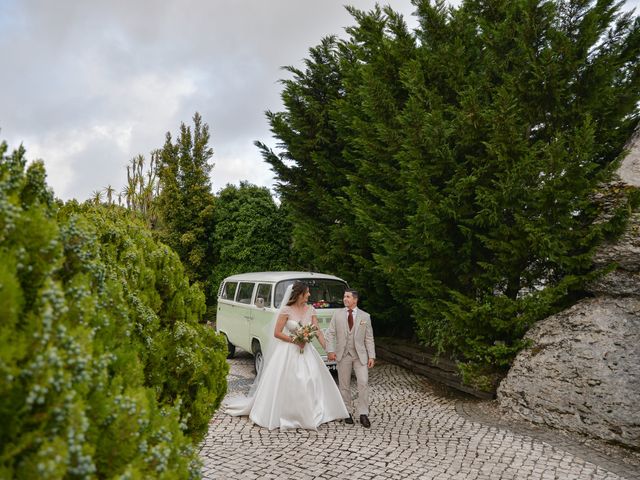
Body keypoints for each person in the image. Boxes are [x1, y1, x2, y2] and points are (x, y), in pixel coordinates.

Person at [225, 281, 348, 430]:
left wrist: (328, 350)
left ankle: (311, 413)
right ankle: (286, 414)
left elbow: (317, 332)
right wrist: (295, 340)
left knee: (311, 378)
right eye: (307, 292)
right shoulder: (286, 310)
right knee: (288, 380)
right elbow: (277, 333)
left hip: (307, 351)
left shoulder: (311, 309)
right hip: (288, 350)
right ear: (299, 294)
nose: (309, 295)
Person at [325, 289, 376, 428]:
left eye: (348, 297)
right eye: (344, 296)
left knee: (363, 382)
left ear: (355, 299)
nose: (344, 299)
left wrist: (372, 355)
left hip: (360, 356)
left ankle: (363, 413)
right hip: (343, 354)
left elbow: (369, 337)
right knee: (344, 385)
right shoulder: (337, 314)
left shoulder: (365, 316)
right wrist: (330, 350)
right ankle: (346, 412)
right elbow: (330, 333)